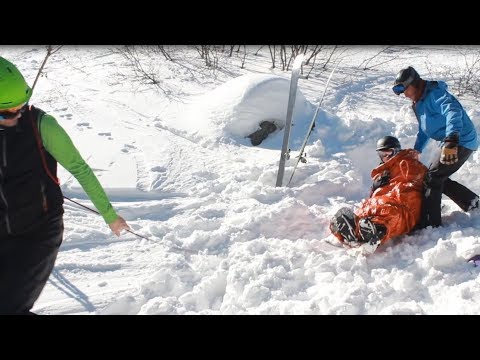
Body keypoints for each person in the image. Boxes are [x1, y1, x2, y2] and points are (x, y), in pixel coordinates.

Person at [0, 56, 130, 315]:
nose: (17, 115)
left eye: (21, 106)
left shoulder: (41, 126)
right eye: (6, 112)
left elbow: (80, 169)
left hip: (37, 233)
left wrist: (109, 215)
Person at [392, 66, 479, 228]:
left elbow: (453, 112)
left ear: (415, 83)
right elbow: (424, 129)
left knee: (433, 177)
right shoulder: (418, 103)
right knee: (433, 176)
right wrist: (418, 148)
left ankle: (431, 224)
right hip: (449, 141)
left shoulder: (435, 94)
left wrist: (451, 139)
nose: (404, 94)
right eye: (400, 90)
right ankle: (472, 202)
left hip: (461, 139)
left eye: (405, 89)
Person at [329, 136, 428, 253]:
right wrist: (375, 186)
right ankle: (354, 229)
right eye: (382, 154)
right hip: (381, 201)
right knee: (368, 211)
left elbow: (420, 181)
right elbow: (375, 197)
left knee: (391, 213)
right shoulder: (382, 172)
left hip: (402, 203)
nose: (386, 157)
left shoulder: (409, 163)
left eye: (389, 153)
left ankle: (375, 230)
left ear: (396, 151)